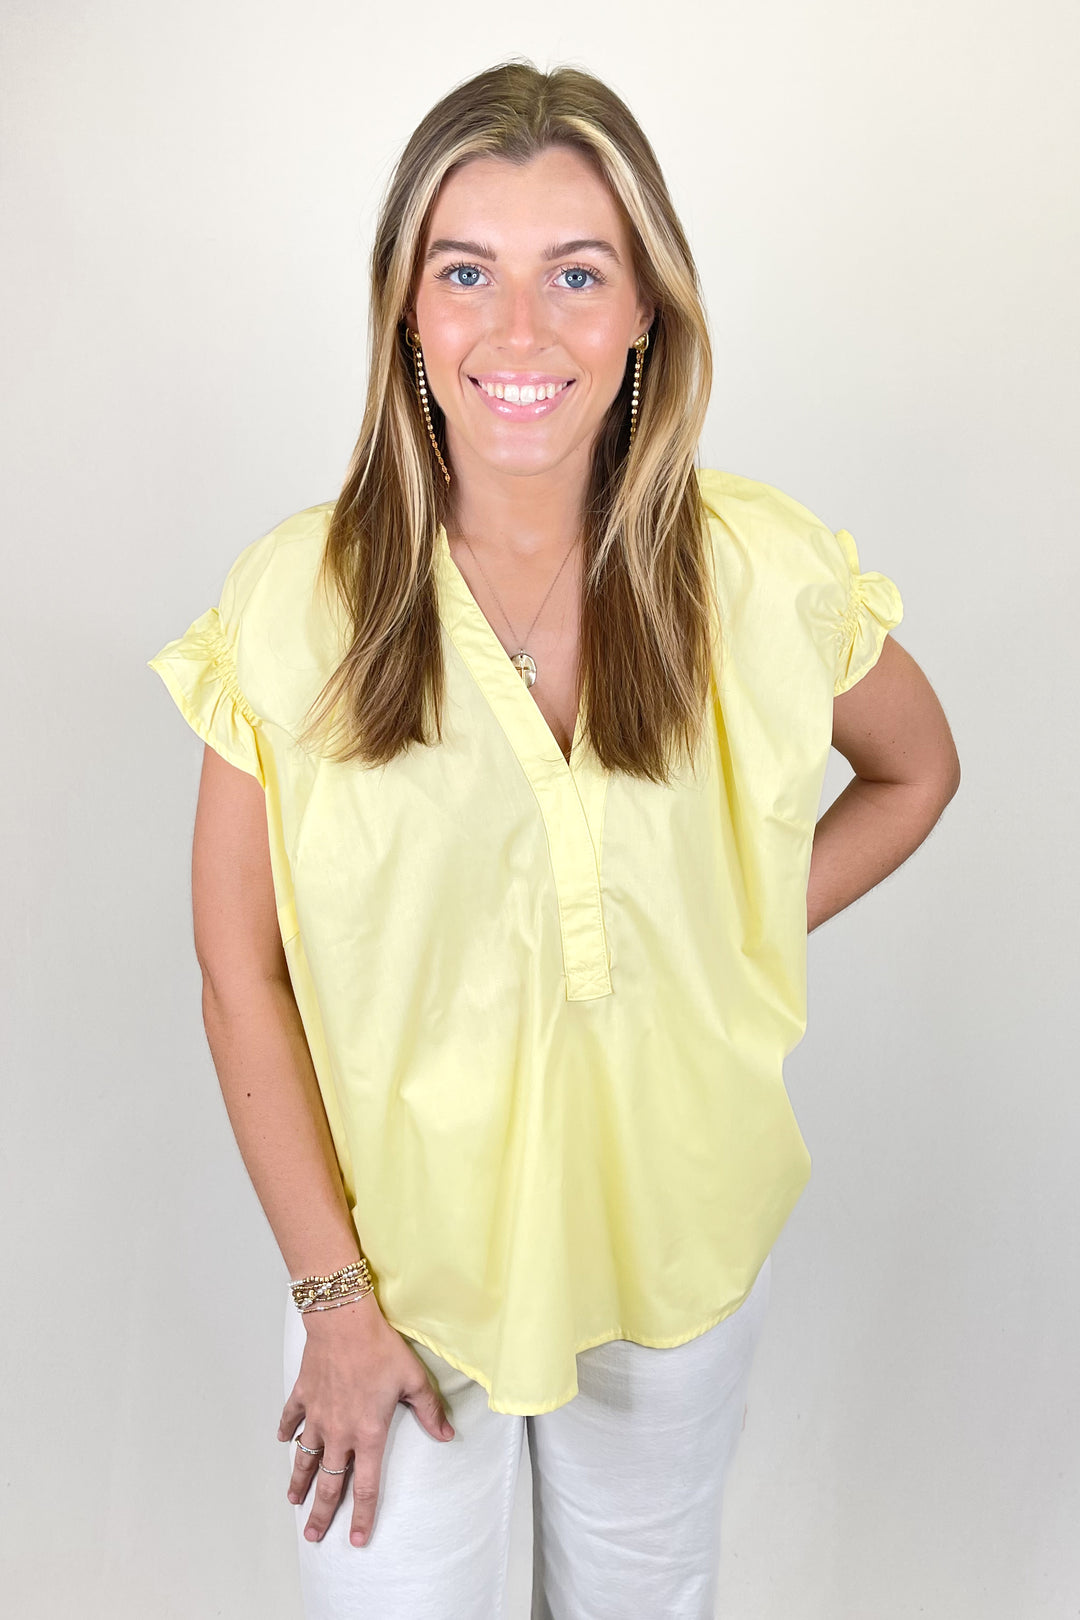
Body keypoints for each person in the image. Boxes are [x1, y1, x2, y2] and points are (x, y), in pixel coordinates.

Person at [147, 58, 961, 1620]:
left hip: (674, 1262)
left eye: (576, 275)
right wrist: (332, 1299)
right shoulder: (293, 606)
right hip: (401, 1281)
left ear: (647, 307)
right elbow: (236, 971)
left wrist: (733, 929)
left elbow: (916, 774)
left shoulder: (755, 574)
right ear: (406, 306)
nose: (519, 335)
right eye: (468, 273)